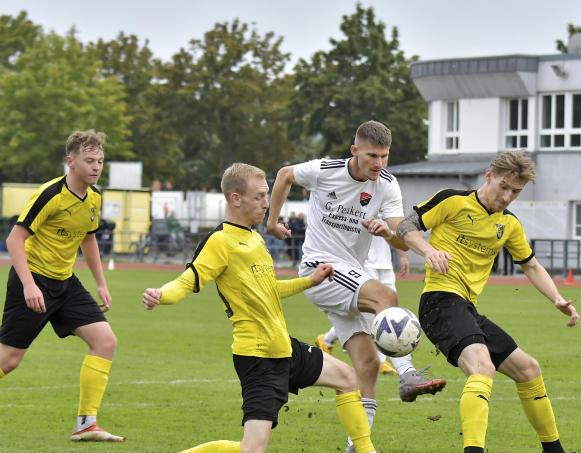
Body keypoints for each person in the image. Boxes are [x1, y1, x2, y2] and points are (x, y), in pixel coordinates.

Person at [141, 163, 376, 453]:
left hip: (283, 348)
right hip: (258, 358)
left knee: (349, 379)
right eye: (259, 196)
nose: (267, 203)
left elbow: (269, 289)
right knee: (252, 449)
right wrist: (160, 295)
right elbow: (186, 282)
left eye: (266, 195)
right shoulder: (220, 241)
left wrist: (309, 280)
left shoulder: (255, 238)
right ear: (236, 199)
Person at [266, 121, 446, 452]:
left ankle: (357, 445)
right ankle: (407, 374)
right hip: (321, 268)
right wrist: (272, 221)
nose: (379, 163)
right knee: (385, 296)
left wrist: (391, 235)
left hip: (349, 275)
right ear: (355, 151)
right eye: (372, 156)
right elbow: (284, 175)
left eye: (385, 156)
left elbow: (401, 234)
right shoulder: (326, 170)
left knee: (368, 364)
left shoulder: (387, 185)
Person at [397, 151, 581, 453]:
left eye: (516, 192)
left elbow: (531, 265)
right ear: (489, 176)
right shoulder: (452, 200)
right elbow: (406, 227)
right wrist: (429, 251)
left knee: (529, 370)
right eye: (504, 187)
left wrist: (557, 299)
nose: (507, 197)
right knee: (483, 368)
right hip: (439, 302)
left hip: (466, 308)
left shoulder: (509, 224)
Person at [0, 130, 124, 442]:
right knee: (9, 360)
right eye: (90, 160)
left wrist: (101, 283)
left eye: (100, 161)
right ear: (71, 162)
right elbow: (14, 239)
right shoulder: (51, 194)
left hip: (65, 283)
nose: (96, 167)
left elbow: (88, 238)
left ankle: (86, 423)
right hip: (33, 279)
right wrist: (29, 285)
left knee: (105, 341)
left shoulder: (94, 197)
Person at [317, 234, 411, 377]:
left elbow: (393, 231)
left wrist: (402, 255)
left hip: (385, 263)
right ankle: (381, 360)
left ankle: (326, 339)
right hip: (365, 262)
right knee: (372, 315)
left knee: (389, 311)